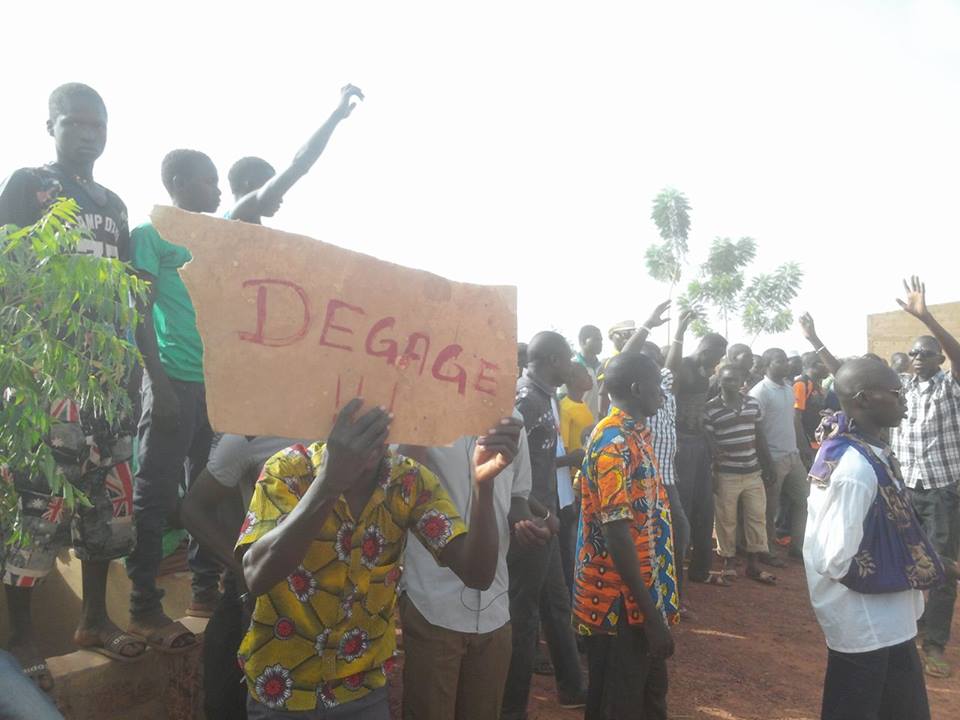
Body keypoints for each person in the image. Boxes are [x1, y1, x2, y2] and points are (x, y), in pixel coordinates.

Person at [0, 83, 144, 690]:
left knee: (106, 499)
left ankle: (94, 620)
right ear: (51, 126)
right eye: (75, 123)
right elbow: (7, 270)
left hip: (107, 376)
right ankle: (23, 635)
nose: (89, 134)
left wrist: (132, 367)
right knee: (39, 501)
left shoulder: (115, 205)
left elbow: (125, 291)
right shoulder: (29, 185)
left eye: (98, 124)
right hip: (48, 374)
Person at [236, 399, 508, 717]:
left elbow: (477, 574)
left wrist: (483, 485)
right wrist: (329, 483)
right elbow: (256, 575)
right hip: (282, 690)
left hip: (362, 690)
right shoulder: (288, 470)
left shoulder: (409, 481)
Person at [804, 358, 953, 720]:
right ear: (864, 399)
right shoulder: (854, 468)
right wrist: (914, 565)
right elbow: (833, 559)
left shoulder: (868, 452)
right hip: (864, 624)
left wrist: (931, 562)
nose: (904, 400)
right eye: (896, 392)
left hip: (889, 619)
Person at [126, 148, 223, 652]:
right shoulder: (150, 236)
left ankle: (205, 592)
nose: (218, 190)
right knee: (156, 493)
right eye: (209, 181)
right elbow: (138, 313)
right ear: (179, 182)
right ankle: (143, 604)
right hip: (173, 382)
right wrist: (158, 384)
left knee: (207, 490)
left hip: (213, 388)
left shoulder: (212, 242)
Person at [396, 417, 546, 720]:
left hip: (495, 604)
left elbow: (517, 496)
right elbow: (401, 485)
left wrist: (526, 523)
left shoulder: (512, 419)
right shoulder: (421, 409)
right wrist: (425, 417)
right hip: (431, 600)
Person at [574, 352, 679, 720]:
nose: (662, 394)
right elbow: (616, 534)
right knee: (618, 702)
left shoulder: (635, 435)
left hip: (640, 598)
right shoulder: (613, 444)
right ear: (636, 388)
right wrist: (650, 616)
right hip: (618, 603)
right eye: (657, 386)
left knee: (649, 696)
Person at [180, 433, 304, 719]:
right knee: (229, 697)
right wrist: (242, 568)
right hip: (264, 591)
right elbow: (194, 509)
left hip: (329, 593)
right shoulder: (248, 436)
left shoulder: (345, 426)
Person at [502, 331, 586, 719]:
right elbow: (510, 473)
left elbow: (541, 462)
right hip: (528, 524)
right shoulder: (526, 401)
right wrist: (538, 513)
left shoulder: (542, 397)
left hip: (545, 518)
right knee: (523, 617)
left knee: (555, 604)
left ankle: (572, 689)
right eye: (568, 359)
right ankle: (511, 708)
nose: (571, 366)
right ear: (553, 360)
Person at [889, 276, 960, 679]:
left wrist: (928, 318)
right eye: (914, 352)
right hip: (905, 490)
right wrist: (815, 341)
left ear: (939, 359)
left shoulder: (950, 389)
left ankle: (934, 642)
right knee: (905, 560)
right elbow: (851, 379)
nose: (917, 357)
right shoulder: (902, 388)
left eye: (926, 353)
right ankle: (909, 629)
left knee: (942, 567)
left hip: (942, 491)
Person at [621, 304, 695, 610]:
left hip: (667, 479)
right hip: (641, 480)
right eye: (647, 361)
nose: (656, 366)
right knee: (645, 540)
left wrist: (679, 331)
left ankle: (671, 597)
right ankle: (649, 600)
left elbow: (672, 367)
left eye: (655, 360)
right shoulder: (632, 393)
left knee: (677, 534)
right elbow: (624, 358)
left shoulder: (663, 388)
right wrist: (647, 325)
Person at [225, 85, 363, 225]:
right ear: (248, 184)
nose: (280, 197)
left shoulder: (244, 224)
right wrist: (336, 116)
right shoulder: (240, 213)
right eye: (276, 186)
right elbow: (299, 164)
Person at [704, 365, 776, 586]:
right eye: (727, 380)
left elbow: (760, 436)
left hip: (753, 470)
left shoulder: (752, 404)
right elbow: (709, 442)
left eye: (735, 380)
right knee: (726, 520)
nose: (731, 384)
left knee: (757, 517)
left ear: (741, 381)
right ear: (719, 382)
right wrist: (712, 470)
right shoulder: (710, 409)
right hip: (726, 473)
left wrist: (769, 464)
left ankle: (753, 565)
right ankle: (728, 562)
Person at [674, 332, 728, 583]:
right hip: (681, 445)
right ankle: (676, 572)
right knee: (683, 507)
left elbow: (700, 411)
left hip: (698, 442)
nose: (718, 362)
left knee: (704, 508)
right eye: (717, 356)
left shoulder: (703, 373)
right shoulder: (682, 369)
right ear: (706, 351)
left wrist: (709, 441)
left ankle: (700, 570)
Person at [749, 348, 812, 562]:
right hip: (773, 458)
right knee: (769, 508)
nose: (786, 364)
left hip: (792, 455)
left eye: (786, 360)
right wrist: (766, 462)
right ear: (767, 365)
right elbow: (756, 429)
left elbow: (794, 420)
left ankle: (798, 546)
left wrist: (803, 447)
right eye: (780, 361)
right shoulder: (760, 392)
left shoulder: (787, 388)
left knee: (805, 501)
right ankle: (766, 550)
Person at [558, 363, 596, 591]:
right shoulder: (565, 408)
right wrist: (575, 459)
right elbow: (563, 449)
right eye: (585, 375)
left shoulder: (582, 405)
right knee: (571, 538)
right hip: (571, 482)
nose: (590, 378)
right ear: (572, 379)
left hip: (583, 477)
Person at [794, 351, 831, 449]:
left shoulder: (817, 385)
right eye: (825, 364)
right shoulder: (801, 384)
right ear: (814, 365)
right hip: (809, 443)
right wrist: (803, 445)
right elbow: (796, 417)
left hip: (820, 441)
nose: (828, 367)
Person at [574, 325, 604, 417]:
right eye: (596, 340)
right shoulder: (571, 368)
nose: (600, 343)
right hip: (579, 423)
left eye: (601, 340)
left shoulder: (603, 367)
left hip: (600, 423)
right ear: (583, 341)